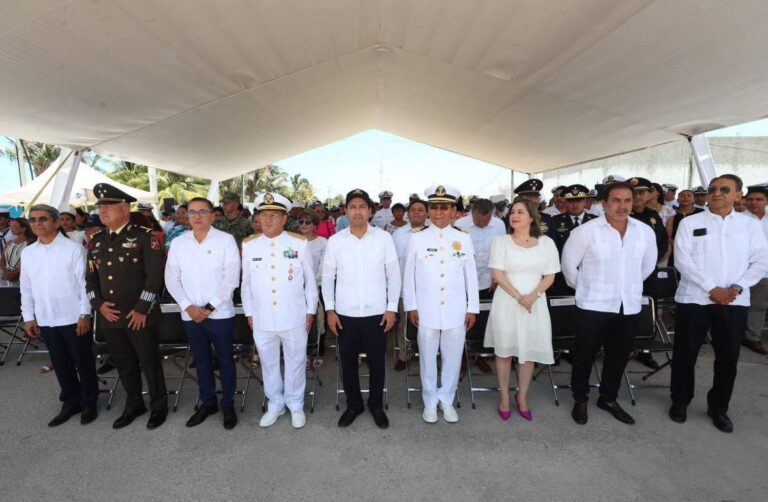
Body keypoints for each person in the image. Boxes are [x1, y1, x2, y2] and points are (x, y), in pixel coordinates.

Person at [670, 175, 768, 432]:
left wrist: (734, 288)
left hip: (734, 301)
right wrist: (712, 288)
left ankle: (719, 408)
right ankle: (680, 401)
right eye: (713, 189)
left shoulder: (750, 226)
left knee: (727, 359)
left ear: (738, 194)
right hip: (694, 299)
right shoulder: (690, 222)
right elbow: (682, 260)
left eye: (725, 189)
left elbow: (760, 262)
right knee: (684, 355)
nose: (717, 193)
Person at [562, 181, 657, 426]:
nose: (622, 206)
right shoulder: (585, 231)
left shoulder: (644, 231)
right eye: (616, 200)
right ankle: (580, 399)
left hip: (629, 305)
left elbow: (647, 267)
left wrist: (628, 286)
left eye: (627, 200)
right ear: (603, 203)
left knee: (618, 356)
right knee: (584, 355)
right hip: (594, 304)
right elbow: (569, 267)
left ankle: (608, 398)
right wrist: (588, 288)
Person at [85, 183, 168, 430]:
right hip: (110, 315)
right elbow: (90, 278)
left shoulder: (145, 237)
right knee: (123, 362)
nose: (102, 211)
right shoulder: (97, 241)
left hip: (139, 315)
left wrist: (142, 308)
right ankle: (134, 404)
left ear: (124, 208)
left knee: (149, 362)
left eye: (108, 206)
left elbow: (154, 278)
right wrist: (98, 305)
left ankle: (159, 406)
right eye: (100, 207)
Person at [322, 189, 400, 429]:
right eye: (352, 206)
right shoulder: (336, 241)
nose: (357, 211)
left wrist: (391, 308)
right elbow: (327, 277)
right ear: (345, 211)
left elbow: (393, 275)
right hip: (345, 313)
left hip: (376, 312)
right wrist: (330, 311)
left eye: (362, 206)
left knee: (378, 362)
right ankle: (353, 404)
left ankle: (376, 404)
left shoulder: (383, 239)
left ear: (370, 210)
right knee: (347, 362)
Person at [403, 184, 479, 424]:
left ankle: (446, 399)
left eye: (444, 207)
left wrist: (472, 308)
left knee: (453, 357)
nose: (438, 212)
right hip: (426, 309)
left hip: (456, 310)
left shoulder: (463, 238)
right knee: (426, 357)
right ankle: (429, 401)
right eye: (433, 207)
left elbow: (471, 276)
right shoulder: (416, 238)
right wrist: (411, 306)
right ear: (428, 210)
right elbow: (408, 276)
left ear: (454, 210)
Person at [242, 192, 318, 429]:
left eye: (273, 215)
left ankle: (295, 404)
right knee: (268, 362)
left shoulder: (298, 243)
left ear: (285, 219)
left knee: (296, 361)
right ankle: (275, 404)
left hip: (294, 316)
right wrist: (249, 314)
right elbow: (246, 284)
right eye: (263, 215)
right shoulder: (249, 245)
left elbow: (310, 281)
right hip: (263, 317)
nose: (267, 220)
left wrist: (310, 312)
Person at [164, 197, 241, 430]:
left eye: (202, 212)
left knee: (226, 361)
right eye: (192, 212)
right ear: (187, 216)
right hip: (190, 315)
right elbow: (171, 278)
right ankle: (208, 402)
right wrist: (188, 306)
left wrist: (208, 308)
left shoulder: (226, 241)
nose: (197, 216)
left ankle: (228, 404)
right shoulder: (179, 243)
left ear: (212, 215)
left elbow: (231, 279)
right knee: (202, 362)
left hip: (219, 315)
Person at [20, 204, 98, 427]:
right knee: (60, 363)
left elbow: (85, 285)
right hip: (46, 318)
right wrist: (28, 317)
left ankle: (90, 401)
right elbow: (26, 288)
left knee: (83, 361)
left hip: (73, 317)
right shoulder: (29, 253)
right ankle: (71, 401)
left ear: (55, 222)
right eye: (33, 220)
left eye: (42, 219)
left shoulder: (73, 249)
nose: (37, 224)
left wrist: (85, 313)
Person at [484, 200, 559, 421]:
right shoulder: (501, 241)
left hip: (534, 303)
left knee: (528, 354)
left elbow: (550, 275)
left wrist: (532, 296)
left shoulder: (546, 243)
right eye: (512, 212)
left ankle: (522, 396)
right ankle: (505, 397)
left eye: (520, 212)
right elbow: (498, 274)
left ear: (532, 217)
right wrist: (519, 297)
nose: (514, 215)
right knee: (505, 353)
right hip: (508, 300)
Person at [454, 198, 506, 374]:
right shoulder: (460, 224)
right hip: (464, 281)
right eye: (478, 221)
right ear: (472, 212)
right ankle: (461, 357)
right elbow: (456, 253)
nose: (483, 224)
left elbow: (501, 252)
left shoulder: (499, 225)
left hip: (488, 280)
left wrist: (498, 277)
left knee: (482, 319)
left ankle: (477, 356)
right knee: (461, 320)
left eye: (486, 221)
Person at [392, 198, 428, 371]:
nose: (416, 212)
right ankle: (403, 355)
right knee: (404, 323)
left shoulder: (433, 232)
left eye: (421, 209)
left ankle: (427, 353)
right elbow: (393, 262)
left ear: (427, 213)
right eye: (413, 210)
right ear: (408, 213)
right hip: (404, 287)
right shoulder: (399, 234)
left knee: (428, 322)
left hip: (428, 287)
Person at [550, 184, 596, 295]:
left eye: (578, 200)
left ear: (585, 201)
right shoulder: (555, 222)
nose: (574, 204)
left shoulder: (595, 222)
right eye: (571, 201)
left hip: (591, 275)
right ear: (565, 202)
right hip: (562, 277)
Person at [298, 209, 328, 365]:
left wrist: (311, 283)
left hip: (317, 286)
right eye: (301, 222)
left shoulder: (323, 242)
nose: (303, 225)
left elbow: (323, 267)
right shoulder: (293, 241)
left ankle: (318, 351)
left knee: (318, 319)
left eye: (307, 222)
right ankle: (300, 351)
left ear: (315, 225)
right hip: (295, 289)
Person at [743, 185, 768, 354]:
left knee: (758, 305)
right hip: (741, 271)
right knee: (735, 306)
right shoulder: (738, 219)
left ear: (766, 201)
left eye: (759, 199)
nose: (754, 203)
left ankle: (752, 337)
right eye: (750, 199)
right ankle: (729, 335)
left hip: (764, 271)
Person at [666, 189, 703, 270]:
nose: (685, 198)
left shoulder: (701, 213)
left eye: (689, 196)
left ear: (693, 199)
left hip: (696, 248)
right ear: (678, 200)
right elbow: (668, 232)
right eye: (682, 196)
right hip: (675, 247)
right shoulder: (672, 212)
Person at [1, 217, 35, 284]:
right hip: (8, 279)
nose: (11, 228)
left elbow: (30, 261)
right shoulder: (9, 243)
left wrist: (16, 272)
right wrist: (6, 273)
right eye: (11, 226)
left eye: (14, 226)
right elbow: (2, 261)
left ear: (24, 229)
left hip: (24, 279)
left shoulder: (31, 243)